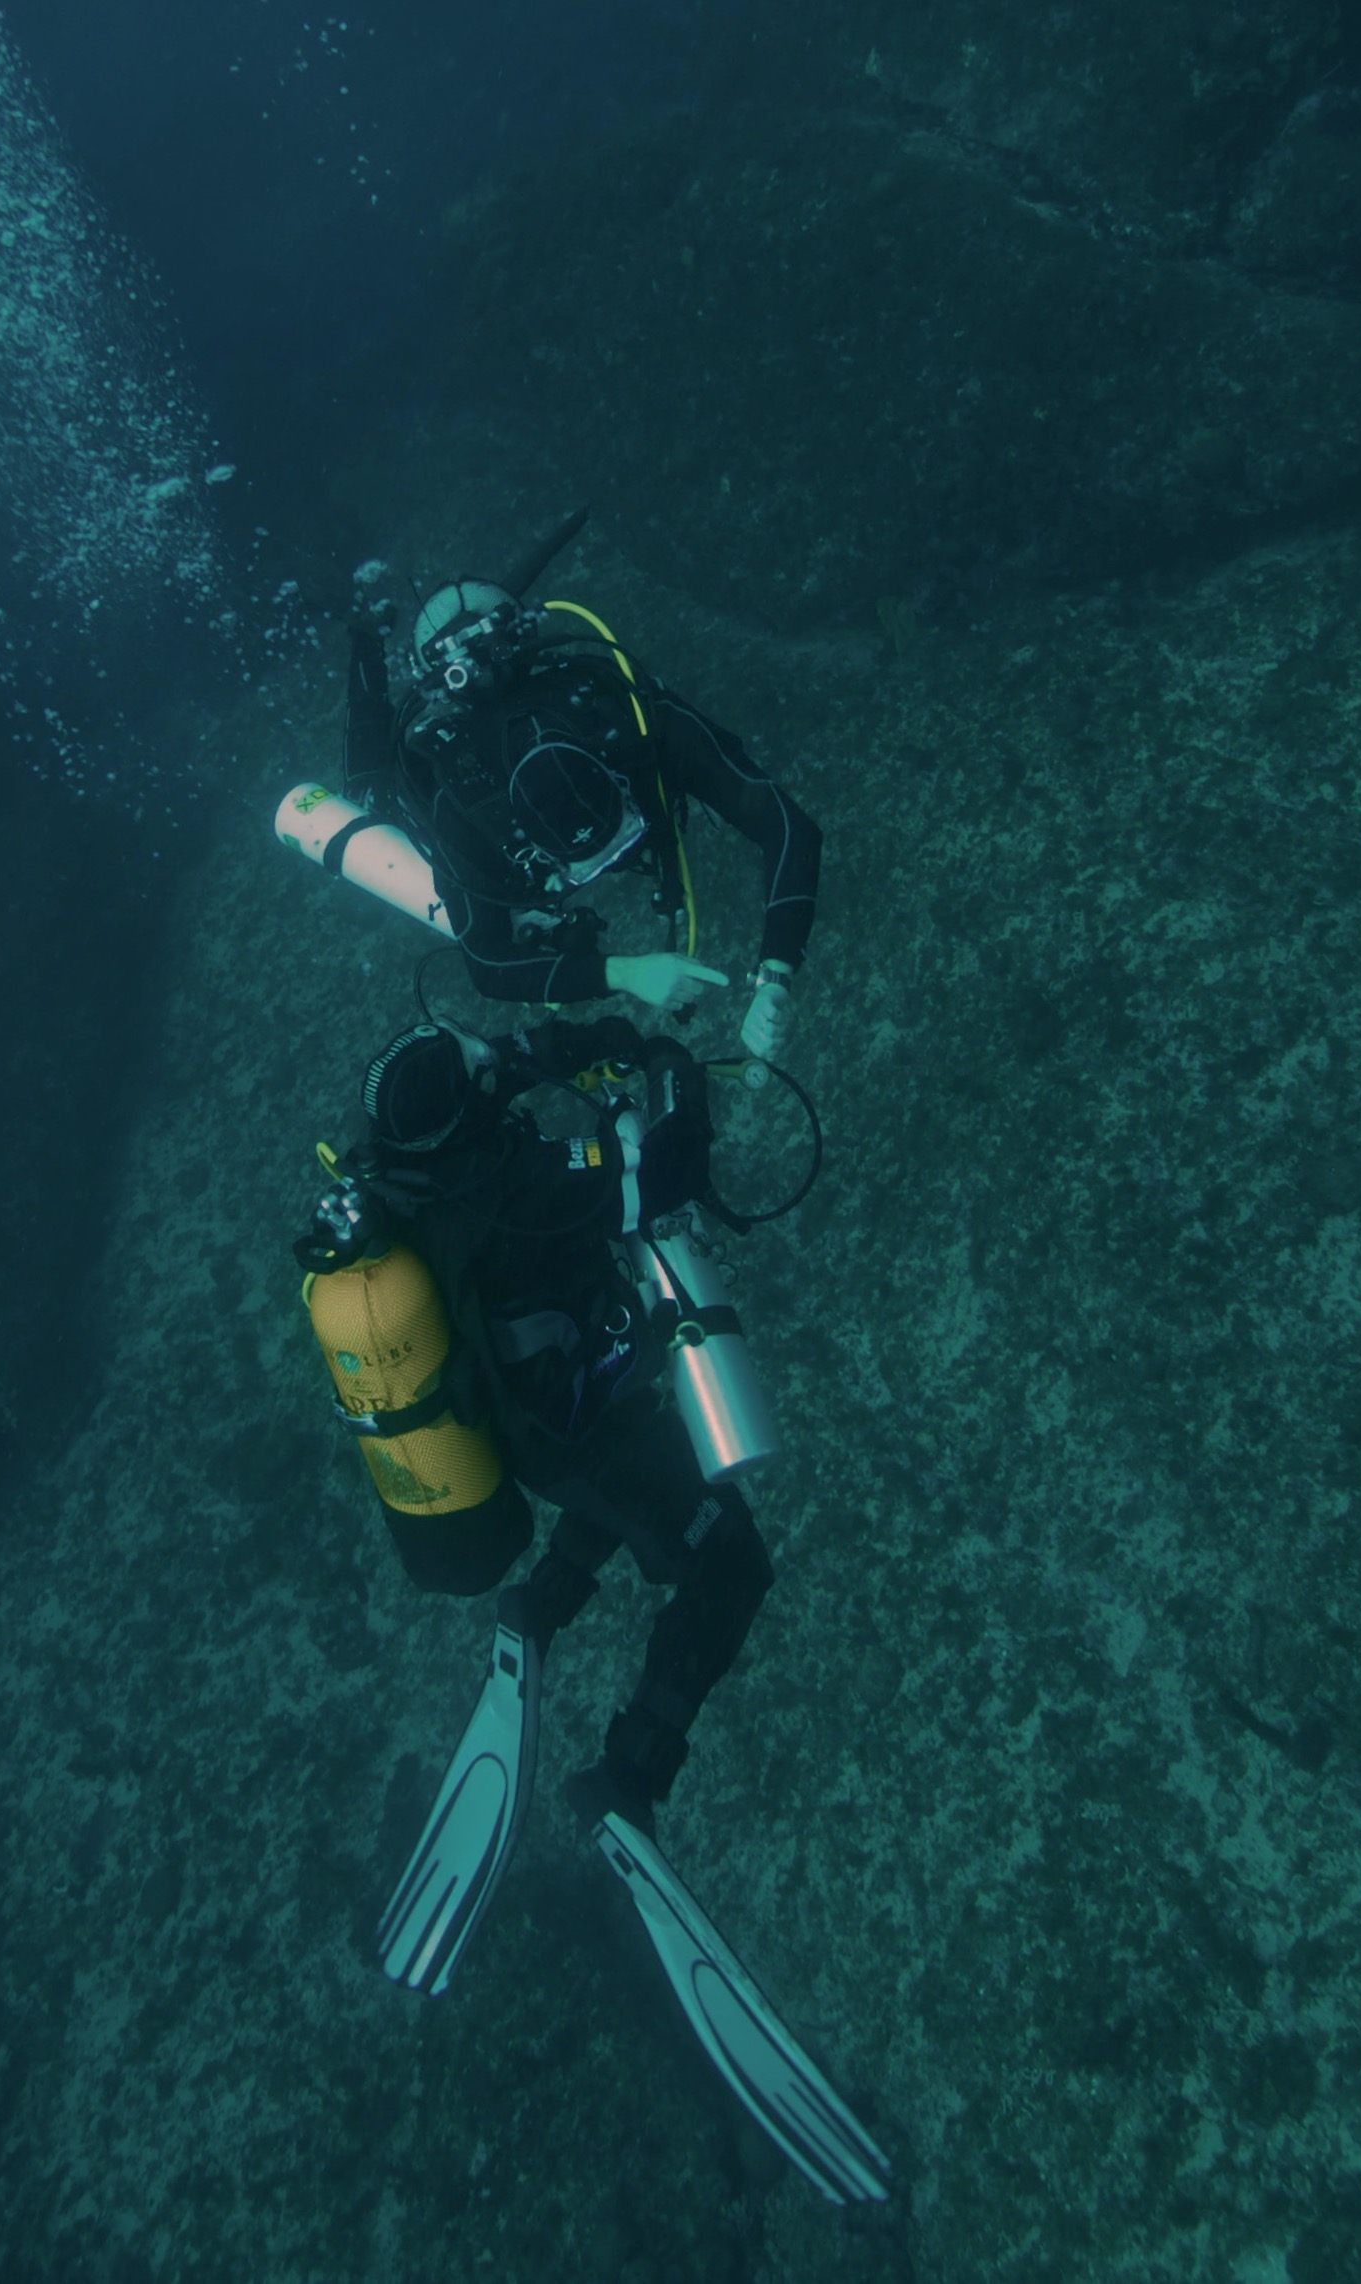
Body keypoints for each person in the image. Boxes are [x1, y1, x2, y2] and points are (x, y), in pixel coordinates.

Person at [302, 1013, 773, 1836]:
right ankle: (630, 1775)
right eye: (470, 1061)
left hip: (528, 1426)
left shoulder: (394, 1166)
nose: (488, 1054)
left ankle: (544, 1604)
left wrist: (570, 1043)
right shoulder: (517, 1188)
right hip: (582, 1432)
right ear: (459, 1109)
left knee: (623, 1493)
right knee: (729, 1562)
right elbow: (663, 1168)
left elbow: (480, 1085)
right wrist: (671, 1073)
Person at [342, 553, 822, 1065]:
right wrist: (622, 972)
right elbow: (486, 963)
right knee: (367, 793)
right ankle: (365, 634)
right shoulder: (462, 802)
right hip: (481, 812)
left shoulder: (626, 719)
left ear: (616, 773)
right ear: (518, 834)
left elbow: (787, 825)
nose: (602, 854)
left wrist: (774, 977)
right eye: (576, 852)